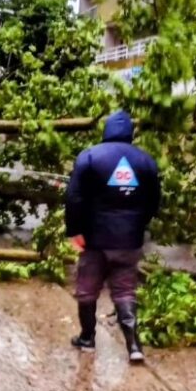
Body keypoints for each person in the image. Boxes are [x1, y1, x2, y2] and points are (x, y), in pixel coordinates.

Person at [65, 110, 161, 363]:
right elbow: (154, 201)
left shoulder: (90, 156)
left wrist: (75, 230)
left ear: (106, 130)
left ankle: (87, 339)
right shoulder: (146, 161)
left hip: (95, 239)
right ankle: (134, 347)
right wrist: (138, 225)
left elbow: (74, 197)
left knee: (87, 289)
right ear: (130, 133)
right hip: (129, 241)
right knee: (125, 291)